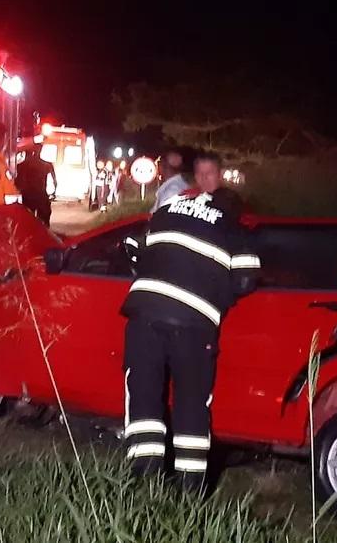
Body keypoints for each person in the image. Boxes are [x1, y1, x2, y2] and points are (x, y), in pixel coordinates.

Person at [120, 151, 260, 492]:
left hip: (144, 317)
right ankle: (189, 495)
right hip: (194, 326)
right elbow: (246, 279)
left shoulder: (168, 209)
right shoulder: (233, 228)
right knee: (191, 405)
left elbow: (131, 247)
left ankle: (143, 489)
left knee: (144, 400)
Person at [15, 144, 57, 226]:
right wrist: (53, 193)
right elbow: (55, 182)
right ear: (40, 151)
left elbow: (17, 182)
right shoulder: (47, 165)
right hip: (41, 194)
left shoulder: (21, 165)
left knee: (26, 220)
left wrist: (19, 190)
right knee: (44, 220)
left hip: (27, 195)